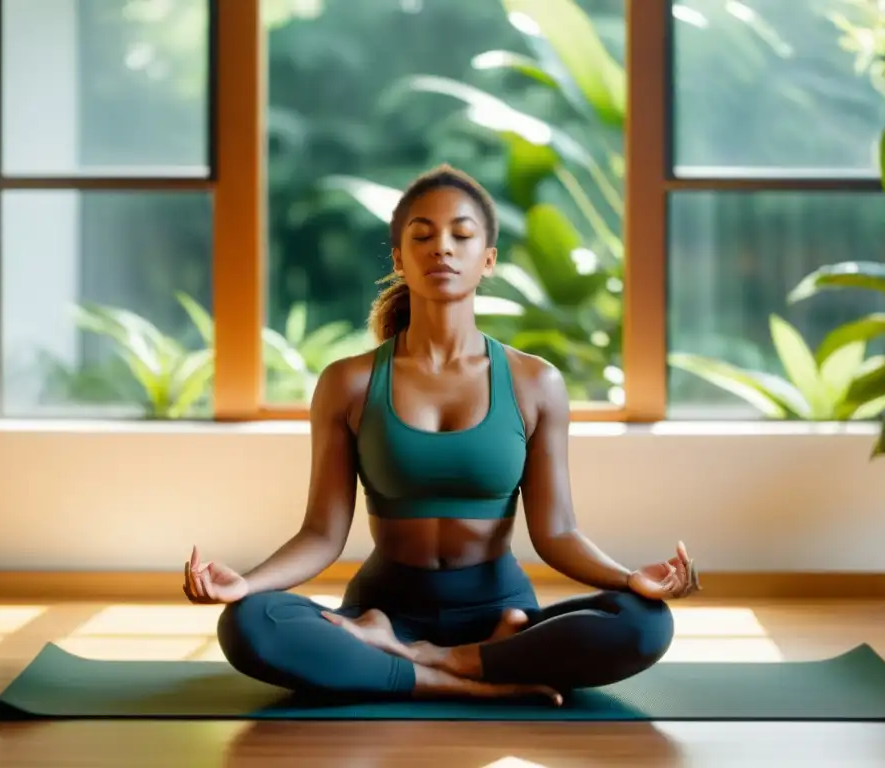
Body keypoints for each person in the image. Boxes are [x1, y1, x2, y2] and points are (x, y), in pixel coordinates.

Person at [183, 165, 701, 706]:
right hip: (381, 612)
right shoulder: (349, 382)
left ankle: (435, 660)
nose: (442, 249)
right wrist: (247, 584)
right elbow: (320, 535)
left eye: (462, 234)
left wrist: (630, 579)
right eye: (422, 236)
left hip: (502, 616)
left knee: (645, 623)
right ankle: (456, 678)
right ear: (399, 259)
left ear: (489, 258)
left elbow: (558, 534)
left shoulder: (534, 382)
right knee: (249, 623)